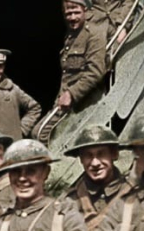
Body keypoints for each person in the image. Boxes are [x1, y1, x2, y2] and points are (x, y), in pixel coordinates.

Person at [33, 0, 108, 143]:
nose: (72, 18)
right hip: (65, 104)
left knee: (42, 134)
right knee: (39, 133)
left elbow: (95, 72)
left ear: (85, 11)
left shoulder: (94, 34)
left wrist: (71, 94)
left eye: (76, 13)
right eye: (68, 14)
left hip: (84, 103)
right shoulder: (70, 36)